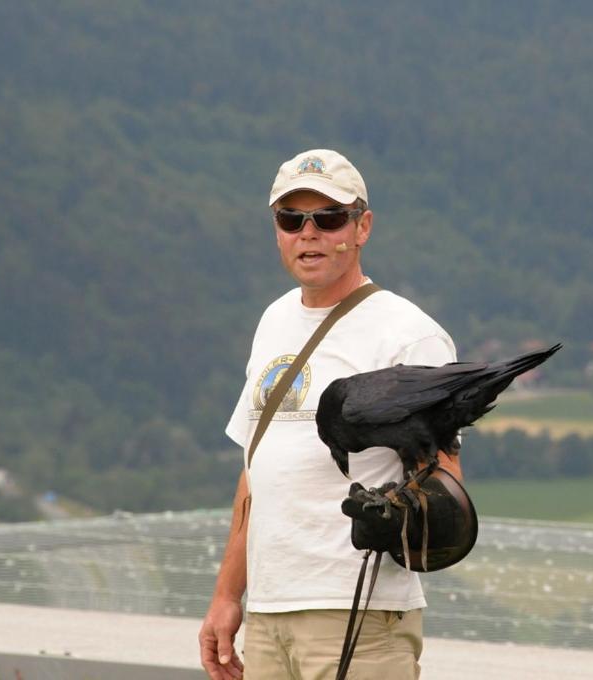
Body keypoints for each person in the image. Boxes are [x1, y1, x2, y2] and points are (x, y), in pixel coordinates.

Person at [199, 149, 463, 680]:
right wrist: (228, 595)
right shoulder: (273, 321)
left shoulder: (409, 335)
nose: (309, 232)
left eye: (329, 217)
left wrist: (404, 517)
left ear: (362, 226)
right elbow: (257, 470)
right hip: (271, 612)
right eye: (291, 219)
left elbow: (446, 480)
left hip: (358, 612)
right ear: (277, 230)